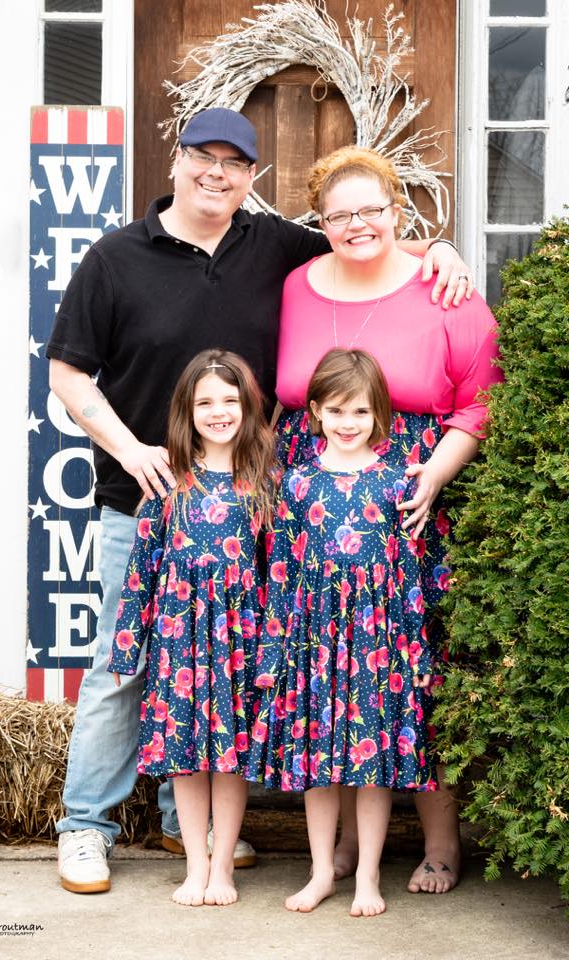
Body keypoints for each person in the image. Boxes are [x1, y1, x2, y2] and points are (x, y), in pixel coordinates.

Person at [47, 106, 473, 894]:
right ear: (175, 161)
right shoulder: (115, 258)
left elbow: (365, 243)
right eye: (202, 158)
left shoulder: (273, 244)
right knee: (125, 665)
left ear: (252, 178)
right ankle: (86, 826)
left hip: (250, 502)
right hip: (147, 500)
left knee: (229, 662)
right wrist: (131, 450)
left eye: (234, 164)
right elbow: (69, 375)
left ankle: (195, 831)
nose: (217, 174)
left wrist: (438, 248)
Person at [273, 144, 502, 895]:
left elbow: (479, 400)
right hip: (311, 495)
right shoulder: (296, 287)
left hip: (408, 498)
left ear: (399, 210)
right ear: (320, 223)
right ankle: (339, 850)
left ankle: (440, 843)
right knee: (332, 662)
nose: (357, 224)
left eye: (373, 209)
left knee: (412, 665)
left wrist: (433, 476)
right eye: (339, 214)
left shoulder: (447, 288)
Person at [248, 348, 437, 916]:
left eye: (359, 411)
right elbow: (281, 568)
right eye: (336, 411)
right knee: (317, 768)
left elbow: (411, 571)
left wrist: (412, 650)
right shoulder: (299, 484)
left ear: (378, 414)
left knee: (372, 764)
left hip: (377, 645)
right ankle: (321, 872)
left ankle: (369, 879)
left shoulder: (396, 482)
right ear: (314, 414)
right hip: (312, 643)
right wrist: (275, 648)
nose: (348, 423)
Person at [108, 349, 275, 906]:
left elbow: (281, 575)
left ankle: (223, 867)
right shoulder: (168, 485)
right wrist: (125, 650)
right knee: (186, 759)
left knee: (229, 761)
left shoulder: (265, 485)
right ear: (186, 411)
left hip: (239, 645)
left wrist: (272, 653)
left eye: (230, 400)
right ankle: (195, 868)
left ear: (249, 409)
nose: (219, 411)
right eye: (206, 401)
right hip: (180, 644)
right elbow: (141, 573)